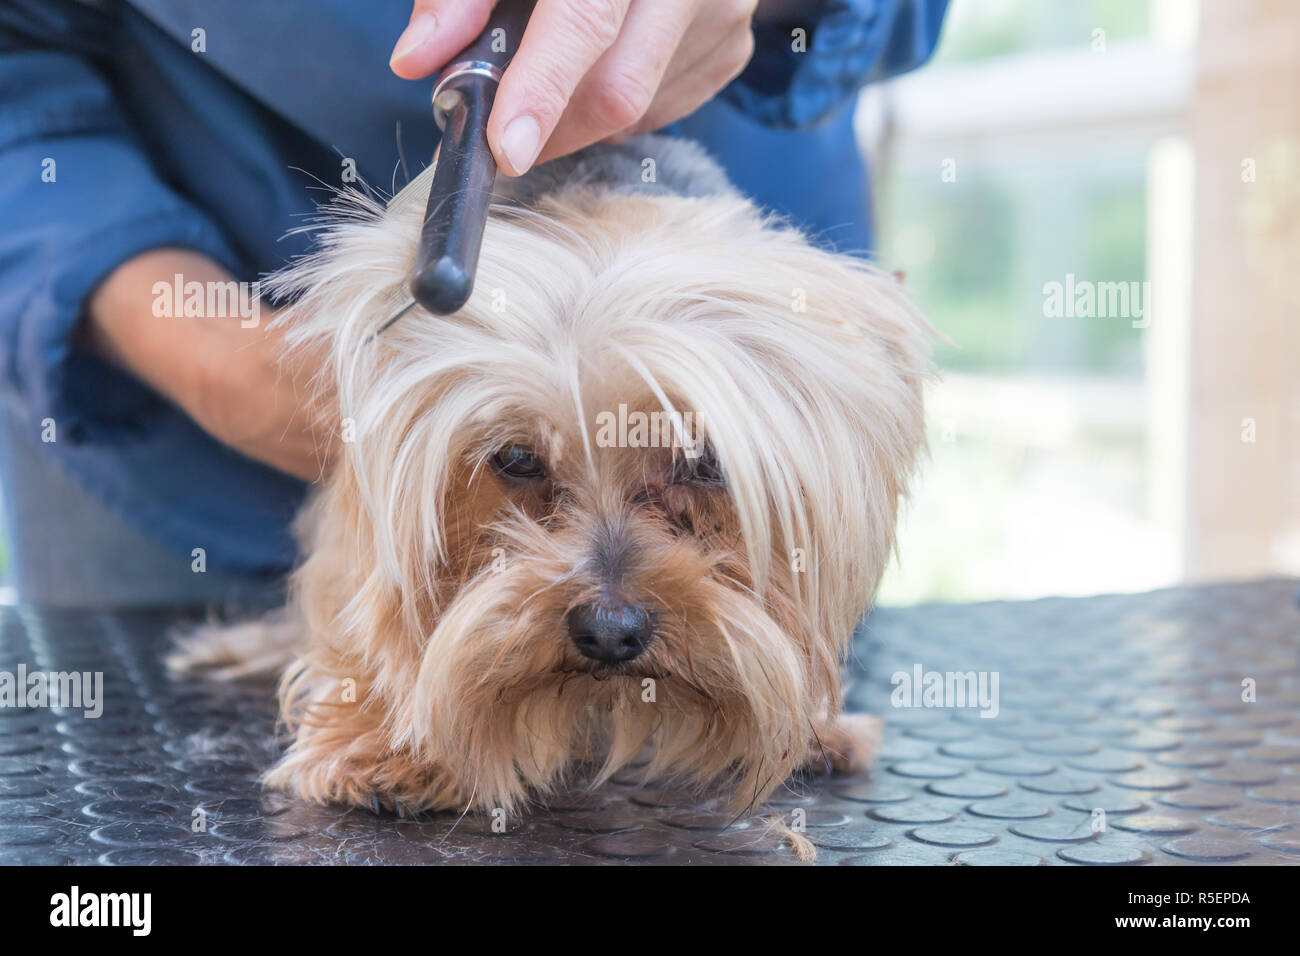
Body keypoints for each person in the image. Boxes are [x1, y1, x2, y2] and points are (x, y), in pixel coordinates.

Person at [0, 0, 947, 606]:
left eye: (686, 467)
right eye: (520, 464)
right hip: (175, 409)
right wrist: (209, 360)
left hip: (751, 327)